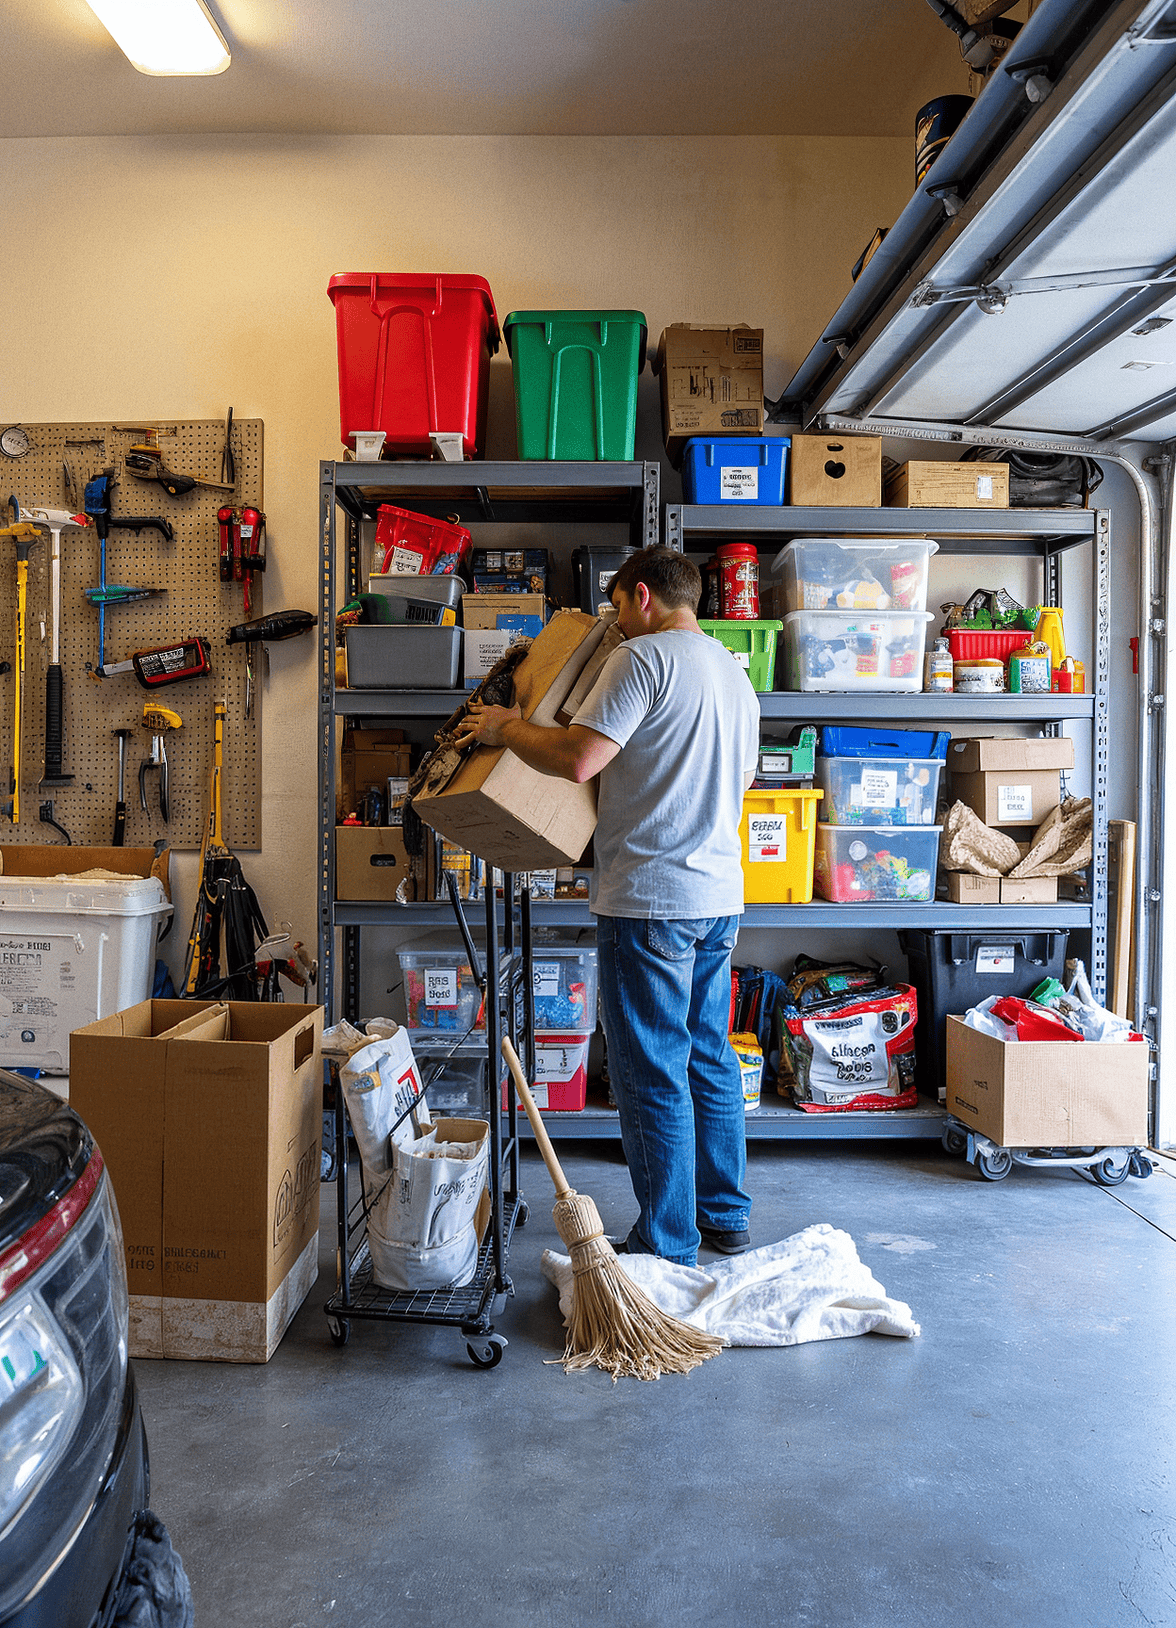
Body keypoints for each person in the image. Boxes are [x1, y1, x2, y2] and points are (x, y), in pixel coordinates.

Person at [454, 547, 760, 1266]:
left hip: (651, 898)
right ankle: (724, 1215)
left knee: (650, 1067)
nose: (615, 625)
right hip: (718, 896)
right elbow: (739, 781)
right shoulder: (732, 675)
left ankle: (667, 1239)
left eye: (619, 607)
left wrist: (502, 730)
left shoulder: (643, 660)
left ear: (644, 596)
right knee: (707, 1055)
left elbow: (579, 758)